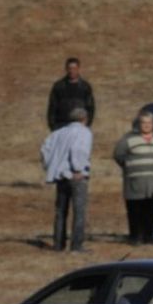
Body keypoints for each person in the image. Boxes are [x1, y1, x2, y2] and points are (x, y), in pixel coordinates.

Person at [40, 107, 92, 253]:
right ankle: (76, 246)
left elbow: (45, 149)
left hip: (60, 176)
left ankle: (58, 244)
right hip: (76, 176)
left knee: (61, 211)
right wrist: (78, 169)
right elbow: (78, 150)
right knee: (79, 211)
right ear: (84, 119)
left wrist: (50, 167)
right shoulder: (84, 132)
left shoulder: (58, 133)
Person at [113, 111, 153, 244]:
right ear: (138, 124)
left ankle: (149, 236)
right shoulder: (128, 139)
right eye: (144, 122)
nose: (147, 125)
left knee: (152, 210)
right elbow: (118, 155)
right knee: (135, 211)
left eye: (149, 122)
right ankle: (135, 237)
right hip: (135, 182)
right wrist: (130, 166)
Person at [45, 57, 95, 132]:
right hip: (61, 125)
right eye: (70, 68)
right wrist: (53, 126)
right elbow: (52, 107)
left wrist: (86, 124)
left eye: (74, 68)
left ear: (78, 69)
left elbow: (90, 108)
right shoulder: (58, 86)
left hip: (79, 125)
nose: (72, 71)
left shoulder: (85, 87)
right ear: (66, 69)